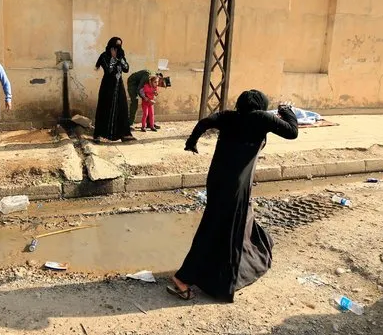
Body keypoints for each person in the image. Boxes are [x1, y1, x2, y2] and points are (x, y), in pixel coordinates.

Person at [167, 90, 298, 302]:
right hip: (234, 185)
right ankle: (183, 278)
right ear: (261, 105)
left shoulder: (228, 116)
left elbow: (204, 122)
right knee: (216, 228)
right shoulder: (261, 118)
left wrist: (192, 142)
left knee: (234, 223)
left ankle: (220, 270)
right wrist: (286, 110)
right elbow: (292, 132)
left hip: (218, 180)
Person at [93, 37, 135, 143]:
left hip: (118, 86)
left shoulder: (121, 56)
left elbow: (126, 69)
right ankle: (102, 134)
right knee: (105, 108)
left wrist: (119, 59)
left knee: (122, 108)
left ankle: (123, 134)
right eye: (115, 46)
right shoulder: (104, 56)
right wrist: (112, 59)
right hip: (107, 87)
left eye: (119, 46)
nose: (117, 49)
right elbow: (108, 71)